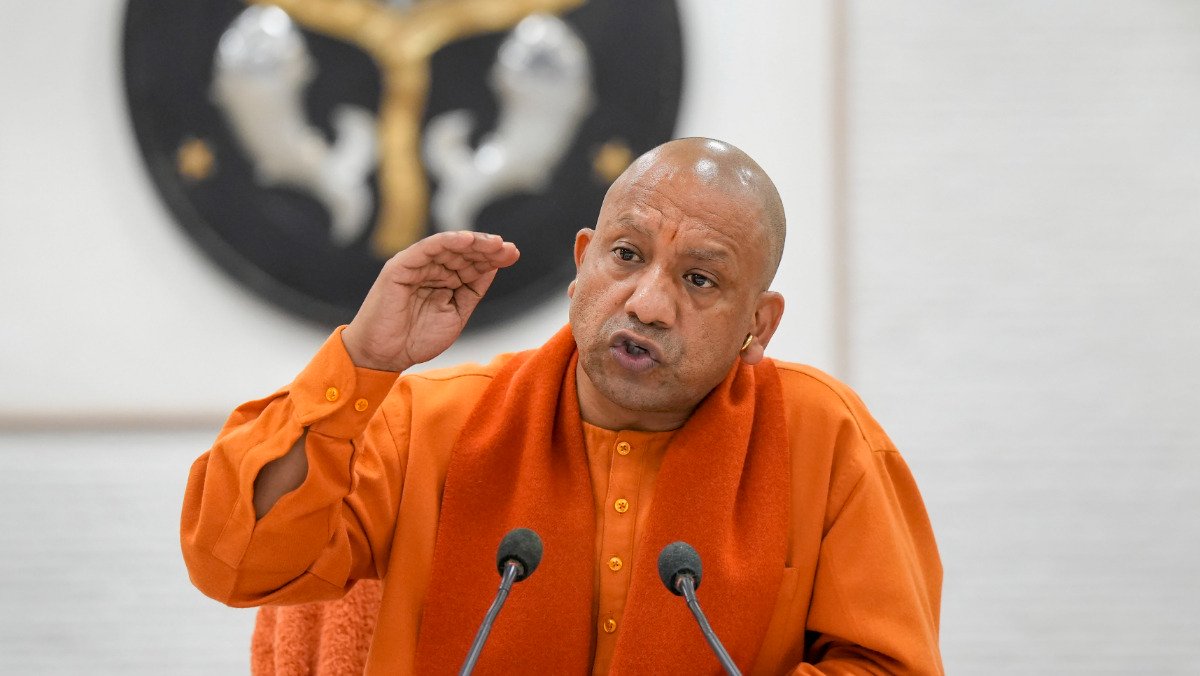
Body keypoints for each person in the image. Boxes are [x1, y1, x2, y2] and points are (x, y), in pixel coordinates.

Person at [181, 137, 943, 674]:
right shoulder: (432, 424)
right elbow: (234, 560)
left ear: (759, 325)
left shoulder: (822, 438)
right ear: (583, 264)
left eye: (699, 280)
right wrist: (363, 359)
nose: (646, 304)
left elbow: (889, 666)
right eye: (627, 255)